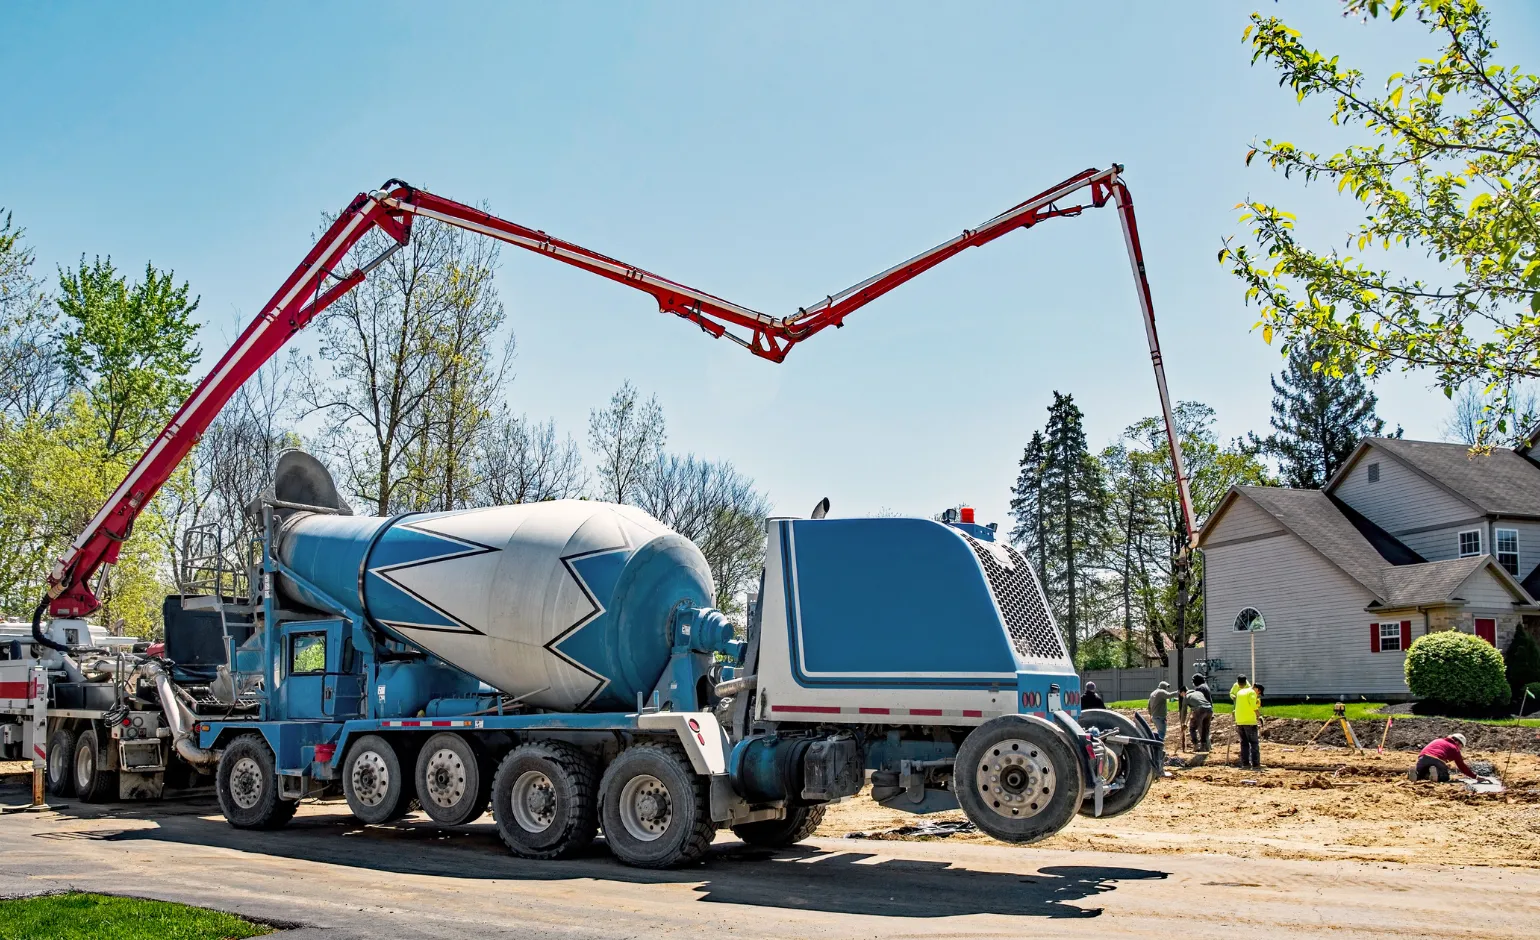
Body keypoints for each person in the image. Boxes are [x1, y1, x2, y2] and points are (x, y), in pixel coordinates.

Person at [1231, 676, 1261, 770]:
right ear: (1257, 689)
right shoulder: (1251, 692)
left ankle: (1245, 764)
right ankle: (1255, 764)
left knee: (1244, 743)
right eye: (1259, 692)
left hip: (1239, 720)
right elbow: (1253, 706)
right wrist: (1259, 715)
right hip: (1249, 721)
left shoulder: (1239, 692)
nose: (1258, 694)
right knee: (1254, 743)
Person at [1186, 674, 1214, 752]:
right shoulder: (1205, 686)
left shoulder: (1200, 688)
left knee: (1196, 728)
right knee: (1205, 730)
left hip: (1201, 710)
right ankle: (1207, 747)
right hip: (1209, 709)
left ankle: (1200, 746)